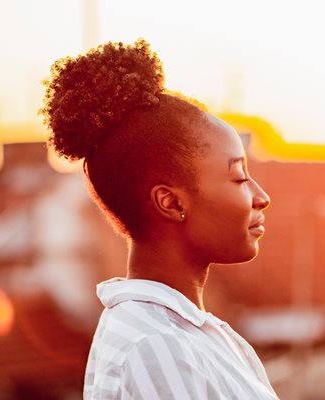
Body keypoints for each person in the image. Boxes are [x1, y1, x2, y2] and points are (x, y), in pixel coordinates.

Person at [39, 39, 278, 399]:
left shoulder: (191, 334)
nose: (262, 197)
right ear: (170, 201)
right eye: (239, 178)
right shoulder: (156, 345)